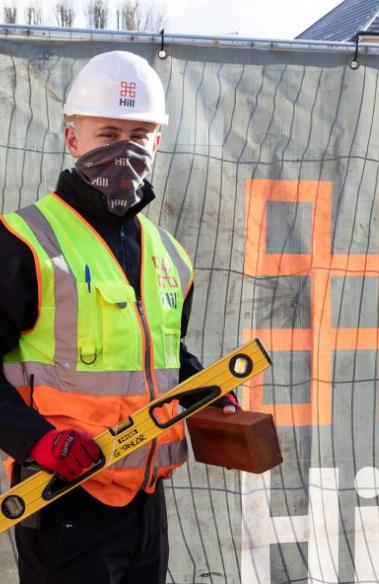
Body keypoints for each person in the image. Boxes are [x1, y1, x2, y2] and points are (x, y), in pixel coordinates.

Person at [0, 50, 238, 584]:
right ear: (72, 138)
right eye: (107, 132)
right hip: (63, 501)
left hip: (146, 501)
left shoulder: (169, 254)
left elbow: (161, 356)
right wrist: (37, 440)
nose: (124, 149)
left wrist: (207, 385)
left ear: (157, 142)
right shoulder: (24, 242)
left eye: (140, 134)